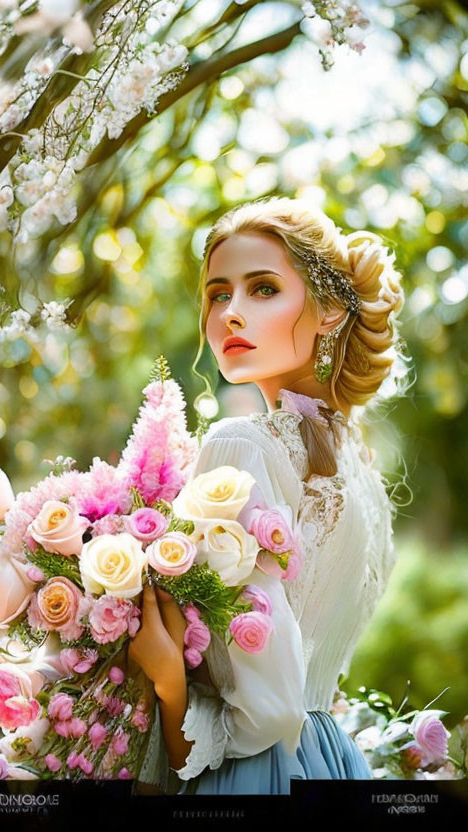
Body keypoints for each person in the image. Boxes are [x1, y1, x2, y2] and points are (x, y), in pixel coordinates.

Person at [129, 196, 407, 795]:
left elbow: (266, 716)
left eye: (261, 289)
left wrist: (168, 680)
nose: (230, 313)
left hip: (261, 775)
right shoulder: (361, 468)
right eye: (217, 294)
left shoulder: (242, 445)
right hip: (332, 758)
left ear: (330, 309)